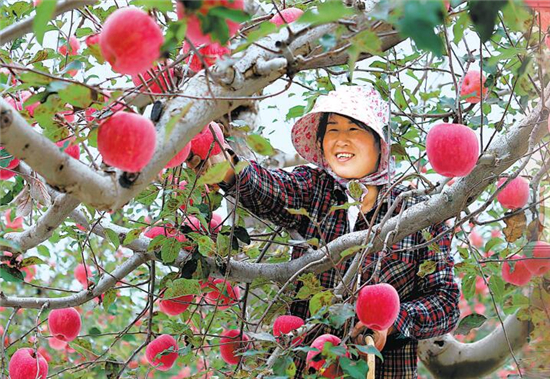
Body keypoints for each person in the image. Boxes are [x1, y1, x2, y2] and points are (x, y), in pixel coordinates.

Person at [187, 85, 460, 378]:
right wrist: (227, 169)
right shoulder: (316, 190)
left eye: (354, 129)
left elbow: (446, 303)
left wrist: (392, 321)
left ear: (380, 143)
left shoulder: (418, 213)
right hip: (309, 368)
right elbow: (270, 190)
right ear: (320, 141)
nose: (341, 140)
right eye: (332, 130)